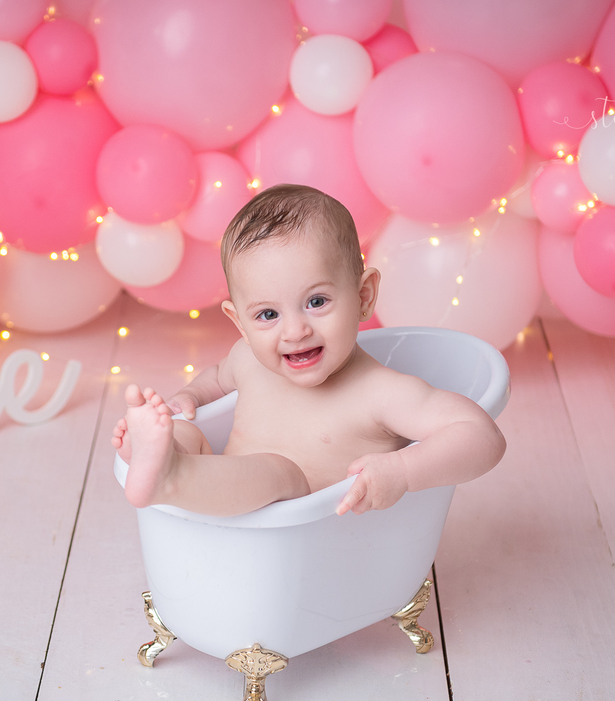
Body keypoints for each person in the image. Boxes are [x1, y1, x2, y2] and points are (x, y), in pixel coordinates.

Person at [112, 184, 506, 517]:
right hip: (217, 505)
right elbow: (215, 378)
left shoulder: (380, 392)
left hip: (304, 543)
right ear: (240, 323)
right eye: (267, 314)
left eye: (316, 302)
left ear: (363, 296)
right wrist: (190, 397)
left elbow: (482, 436)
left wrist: (402, 471)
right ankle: (163, 458)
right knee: (187, 432)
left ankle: (171, 477)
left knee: (280, 473)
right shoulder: (247, 360)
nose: (295, 331)